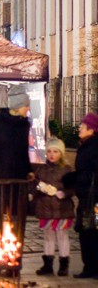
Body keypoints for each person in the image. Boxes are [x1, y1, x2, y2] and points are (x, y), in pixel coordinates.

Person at [32, 138, 75, 277]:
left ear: (61, 153)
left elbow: (73, 187)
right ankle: (48, 264)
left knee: (62, 236)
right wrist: (38, 187)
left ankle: (64, 264)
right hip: (45, 207)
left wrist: (65, 193)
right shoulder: (41, 168)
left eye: (55, 151)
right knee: (48, 236)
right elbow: (34, 185)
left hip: (62, 208)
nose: (52, 154)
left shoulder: (67, 170)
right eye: (49, 151)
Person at [63, 113, 98, 279]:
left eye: (83, 126)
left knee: (90, 231)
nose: (79, 129)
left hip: (93, 198)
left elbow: (90, 172)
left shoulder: (93, 147)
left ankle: (92, 267)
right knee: (86, 232)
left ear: (91, 129)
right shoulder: (85, 145)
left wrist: (76, 178)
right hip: (86, 196)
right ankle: (90, 267)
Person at [0, 85, 33, 181]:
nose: (28, 108)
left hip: (18, 178)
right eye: (25, 106)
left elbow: (23, 151)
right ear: (17, 106)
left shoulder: (24, 125)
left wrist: (28, 170)